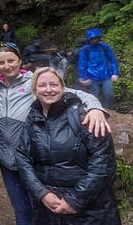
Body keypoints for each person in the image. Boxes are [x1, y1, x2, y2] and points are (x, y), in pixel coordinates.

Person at [0, 42, 110, 225]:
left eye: (11, 60)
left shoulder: (36, 82)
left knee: (40, 209)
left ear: (20, 61)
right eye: (1, 62)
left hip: (37, 161)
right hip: (8, 162)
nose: (7, 66)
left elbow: (75, 93)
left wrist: (95, 108)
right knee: (21, 211)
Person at [16, 67, 121, 224]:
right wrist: (41, 193)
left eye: (54, 84)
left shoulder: (83, 115)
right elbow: (22, 157)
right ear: (34, 90)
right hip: (49, 207)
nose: (48, 89)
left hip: (90, 209)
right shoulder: (33, 117)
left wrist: (75, 200)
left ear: (63, 87)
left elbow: (103, 160)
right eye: (42, 85)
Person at [78, 28, 119, 109]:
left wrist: (115, 73)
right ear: (89, 39)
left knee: (109, 94)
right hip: (92, 77)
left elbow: (113, 60)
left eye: (96, 38)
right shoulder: (85, 49)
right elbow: (82, 64)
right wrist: (84, 77)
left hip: (106, 75)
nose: (95, 40)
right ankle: (94, 111)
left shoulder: (105, 47)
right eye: (93, 39)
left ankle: (108, 110)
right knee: (93, 97)